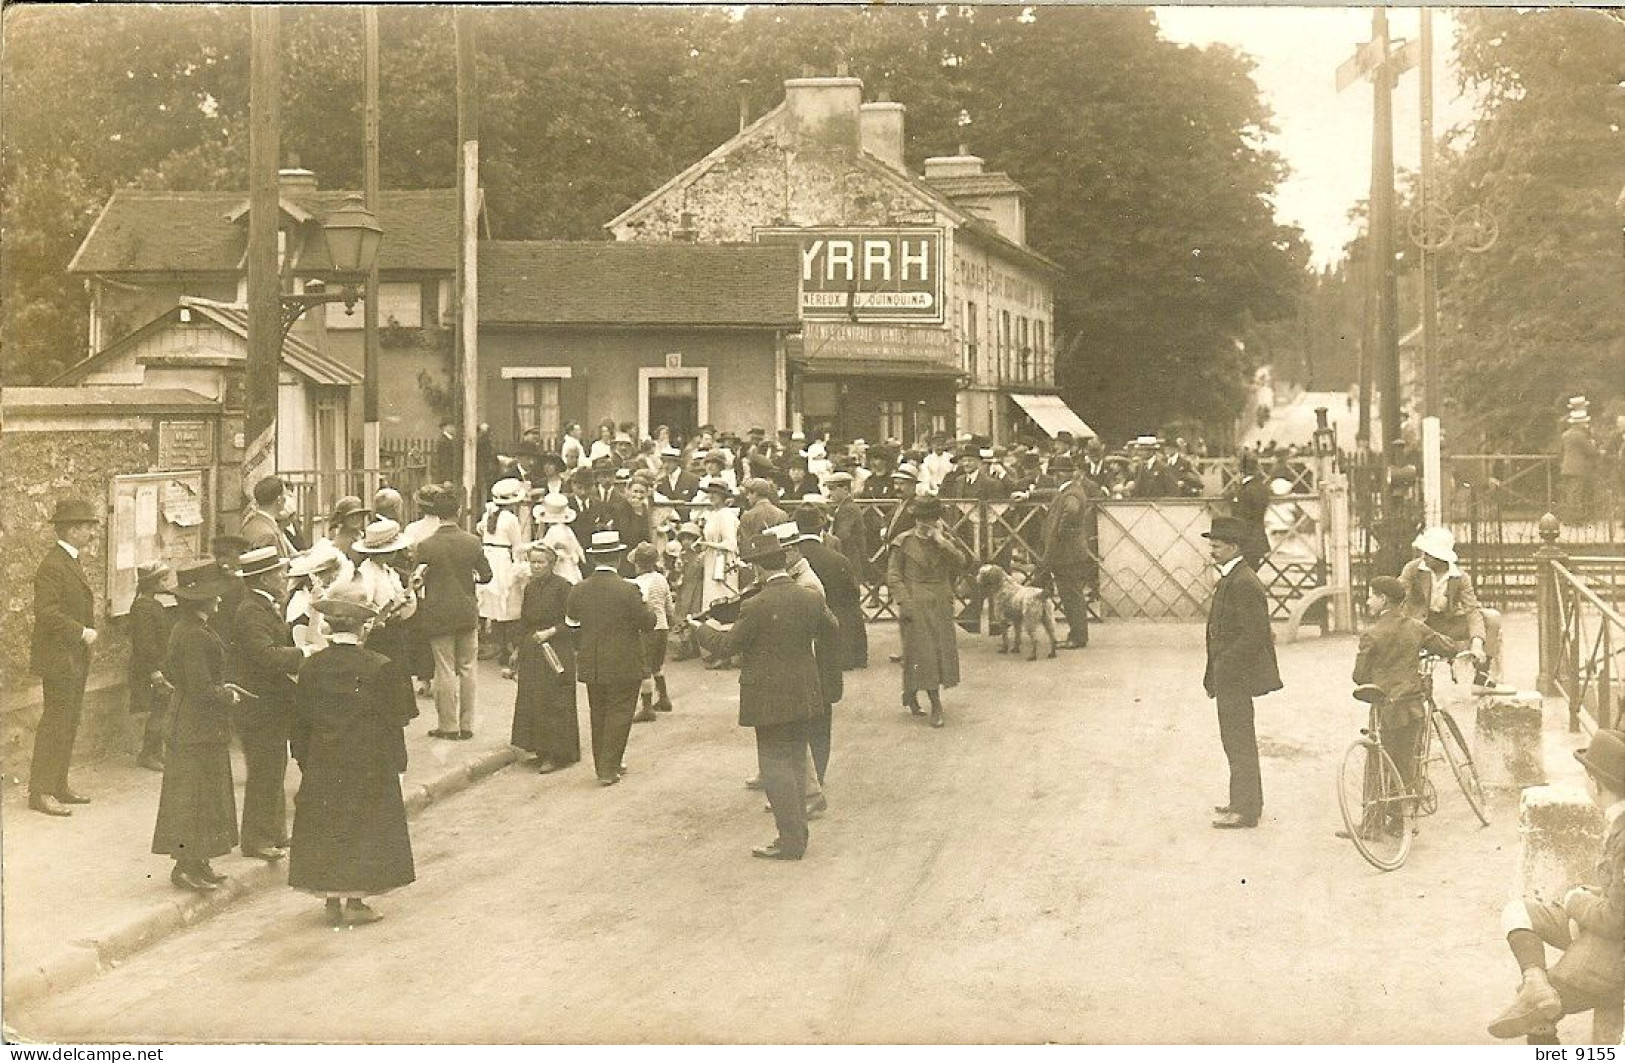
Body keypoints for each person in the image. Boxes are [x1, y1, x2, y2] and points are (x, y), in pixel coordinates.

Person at [693, 533, 838, 861]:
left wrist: (698, 629)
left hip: (769, 696)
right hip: (804, 689)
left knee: (775, 767)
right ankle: (797, 833)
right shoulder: (809, 598)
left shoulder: (754, 605)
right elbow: (832, 627)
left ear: (758, 567)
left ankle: (789, 841)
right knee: (797, 760)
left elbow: (727, 646)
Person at [287, 580, 417, 928]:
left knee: (327, 824)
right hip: (367, 762)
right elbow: (394, 722)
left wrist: (305, 758)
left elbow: (300, 721)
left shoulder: (312, 667)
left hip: (323, 761)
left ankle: (330, 899)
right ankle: (356, 901)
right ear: (363, 625)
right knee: (362, 826)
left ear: (329, 625)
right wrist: (397, 763)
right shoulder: (379, 666)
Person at [1485, 728, 1624, 1041]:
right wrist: (1590, 895)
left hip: (1616, 954)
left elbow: (1617, 919)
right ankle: (1535, 984)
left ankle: (1538, 996)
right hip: (1607, 932)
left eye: (1586, 775)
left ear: (1597, 783)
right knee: (1517, 911)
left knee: (1535, 1016)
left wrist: (1576, 902)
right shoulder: (1617, 820)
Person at [1345, 576, 1463, 833]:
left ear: (1383, 600)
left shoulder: (1372, 634)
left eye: (1371, 595)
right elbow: (1448, 646)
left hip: (1384, 706)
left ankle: (1372, 823)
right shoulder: (1416, 628)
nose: (1368, 600)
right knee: (1407, 759)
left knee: (1378, 758)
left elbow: (1359, 677)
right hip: (1412, 705)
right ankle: (1402, 821)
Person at [151, 560, 242, 891]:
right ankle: (185, 868)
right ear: (200, 600)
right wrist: (227, 695)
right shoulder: (192, 635)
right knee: (191, 796)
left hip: (196, 725)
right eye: (213, 595)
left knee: (203, 795)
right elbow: (201, 688)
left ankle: (199, 862)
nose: (218, 600)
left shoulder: (193, 627)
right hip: (194, 726)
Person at [1203, 516, 1283, 830]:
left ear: (1233, 547)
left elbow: (1255, 634)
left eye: (1217, 545)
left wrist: (1226, 664)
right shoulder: (1233, 577)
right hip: (1229, 675)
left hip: (1235, 676)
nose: (1212, 550)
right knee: (1235, 740)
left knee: (1239, 741)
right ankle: (1243, 801)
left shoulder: (1243, 581)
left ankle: (1245, 809)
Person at [230, 545, 305, 862]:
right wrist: (304, 654)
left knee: (274, 767)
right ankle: (256, 839)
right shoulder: (251, 613)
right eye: (277, 572)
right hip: (259, 704)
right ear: (261, 579)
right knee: (264, 770)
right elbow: (264, 657)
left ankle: (274, 832)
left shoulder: (265, 606)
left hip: (272, 702)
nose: (283, 576)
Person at [565, 530, 655, 786]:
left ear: (594, 559)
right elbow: (648, 623)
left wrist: (584, 646)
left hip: (592, 661)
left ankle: (604, 765)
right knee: (620, 712)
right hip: (625, 661)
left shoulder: (579, 589)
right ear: (617, 558)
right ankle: (609, 767)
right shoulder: (629, 589)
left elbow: (572, 625)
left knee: (599, 712)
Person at [28, 498, 101, 816]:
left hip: (73, 657)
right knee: (55, 722)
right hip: (59, 657)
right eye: (86, 527)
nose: (90, 532)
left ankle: (58, 784)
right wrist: (80, 631)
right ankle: (40, 792)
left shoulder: (69, 561)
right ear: (71, 530)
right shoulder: (52, 565)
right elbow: (47, 613)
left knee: (69, 721)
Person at [887, 496, 973, 728]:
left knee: (937, 652)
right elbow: (894, 575)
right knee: (920, 652)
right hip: (915, 601)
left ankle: (912, 693)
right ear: (915, 519)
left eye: (931, 519)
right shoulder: (903, 542)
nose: (925, 524)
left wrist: (943, 542)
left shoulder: (944, 541)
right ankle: (934, 703)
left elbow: (963, 562)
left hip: (940, 602)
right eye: (921, 519)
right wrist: (905, 601)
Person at [416, 485, 493, 740]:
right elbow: (487, 575)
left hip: (438, 612)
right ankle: (467, 724)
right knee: (468, 667)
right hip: (466, 610)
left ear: (437, 515)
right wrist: (471, 578)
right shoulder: (472, 542)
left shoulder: (426, 545)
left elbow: (419, 578)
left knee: (445, 669)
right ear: (458, 512)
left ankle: (448, 725)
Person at [1399, 527, 1512, 695]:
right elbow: (1398, 595)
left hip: (1446, 625)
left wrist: (1477, 642)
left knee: (1492, 618)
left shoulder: (1460, 577)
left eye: (1429, 553)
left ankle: (1481, 678)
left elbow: (1472, 610)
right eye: (1425, 552)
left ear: (1440, 557)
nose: (1424, 557)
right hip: (1418, 625)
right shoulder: (1413, 569)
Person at [510, 543, 579, 774]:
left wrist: (551, 632)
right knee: (534, 699)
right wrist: (517, 649)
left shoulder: (564, 587)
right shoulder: (529, 588)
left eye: (541, 562)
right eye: (533, 562)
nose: (536, 566)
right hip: (533, 648)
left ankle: (555, 754)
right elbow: (524, 620)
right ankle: (538, 749)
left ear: (551, 564)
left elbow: (573, 621)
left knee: (554, 700)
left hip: (556, 649)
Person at [1037, 455, 1096, 650]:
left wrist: (1060, 531)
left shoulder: (1071, 494)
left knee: (1071, 595)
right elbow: (1054, 494)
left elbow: (1071, 510)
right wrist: (1029, 494)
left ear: (1064, 474)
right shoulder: (1071, 490)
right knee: (1072, 594)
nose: (1055, 476)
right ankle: (1077, 634)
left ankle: (1078, 637)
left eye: (1057, 473)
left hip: (1067, 553)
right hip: (1070, 552)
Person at [126, 560, 176, 772]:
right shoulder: (143, 608)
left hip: (158, 664)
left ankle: (157, 752)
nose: (166, 583)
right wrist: (154, 671)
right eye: (163, 579)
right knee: (156, 711)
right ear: (152, 583)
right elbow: (145, 643)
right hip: (149, 668)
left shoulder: (153, 604)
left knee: (162, 709)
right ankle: (148, 754)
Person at [478, 478, 529, 670]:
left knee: (495, 607)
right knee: (510, 604)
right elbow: (517, 547)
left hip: (490, 558)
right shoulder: (511, 519)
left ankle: (501, 647)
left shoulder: (488, 514)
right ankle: (509, 649)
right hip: (503, 560)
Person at [629, 543, 676, 719]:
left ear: (638, 564)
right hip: (662, 626)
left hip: (647, 628)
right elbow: (668, 604)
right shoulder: (661, 579)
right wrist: (670, 620)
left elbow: (642, 607)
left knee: (645, 667)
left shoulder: (638, 583)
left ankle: (647, 707)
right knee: (658, 664)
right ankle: (664, 698)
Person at [1229, 451, 1272, 571]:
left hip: (1248, 539)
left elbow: (1246, 512)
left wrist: (1234, 500)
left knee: (1246, 573)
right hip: (1254, 538)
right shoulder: (1256, 485)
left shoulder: (1249, 488)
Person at [1559, 400, 1599, 525]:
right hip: (1578, 469)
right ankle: (1575, 520)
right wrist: (1594, 444)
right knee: (1576, 495)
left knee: (1570, 494)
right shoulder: (1580, 435)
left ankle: (1568, 519)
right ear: (1581, 422)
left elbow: (1561, 451)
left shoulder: (1566, 435)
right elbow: (1591, 451)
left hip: (1566, 467)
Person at [241, 476, 300, 558]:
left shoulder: (255, 522)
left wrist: (296, 557)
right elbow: (270, 568)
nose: (286, 499)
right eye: (285, 495)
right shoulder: (267, 535)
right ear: (279, 500)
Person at [534, 493, 586, 584]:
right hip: (570, 565)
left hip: (559, 568)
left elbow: (547, 548)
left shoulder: (554, 530)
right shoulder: (567, 529)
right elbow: (578, 550)